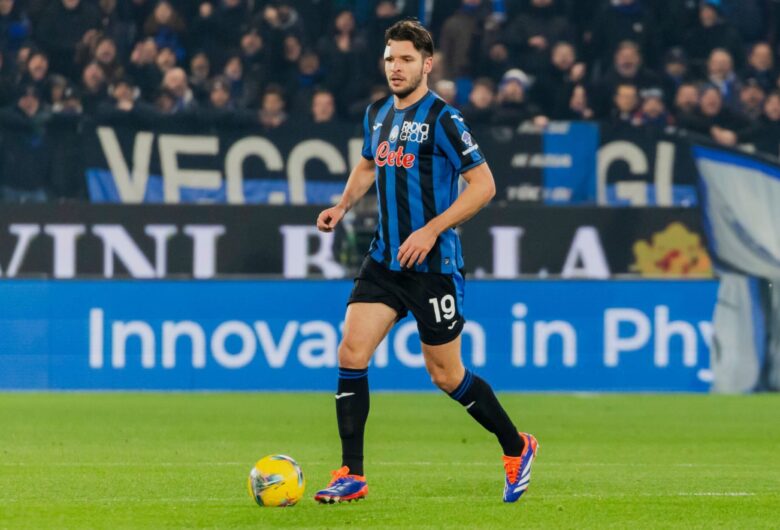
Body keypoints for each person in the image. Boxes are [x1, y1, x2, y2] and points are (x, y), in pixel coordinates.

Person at [314, 19, 538, 505]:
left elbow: (484, 186)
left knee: (446, 376)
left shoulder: (445, 119)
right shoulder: (377, 113)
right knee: (351, 353)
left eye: (406, 59)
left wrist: (432, 228)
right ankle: (352, 473)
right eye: (390, 59)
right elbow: (368, 162)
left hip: (433, 266)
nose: (396, 67)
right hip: (385, 260)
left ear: (427, 64)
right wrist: (343, 205)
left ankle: (517, 446)